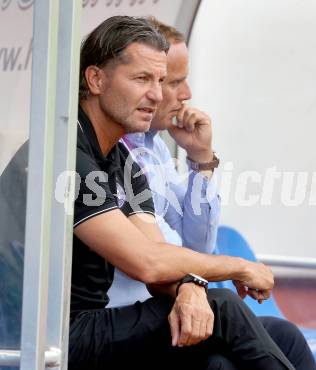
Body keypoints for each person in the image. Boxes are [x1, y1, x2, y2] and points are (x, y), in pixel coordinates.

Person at [66, 15, 301, 370]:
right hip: (52, 337)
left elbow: (157, 253)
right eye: (142, 79)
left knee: (251, 348)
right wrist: (238, 268)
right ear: (96, 79)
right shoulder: (67, 152)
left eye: (161, 81)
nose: (157, 95)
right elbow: (148, 263)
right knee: (222, 306)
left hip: (97, 327)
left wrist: (189, 285)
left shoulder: (122, 157)